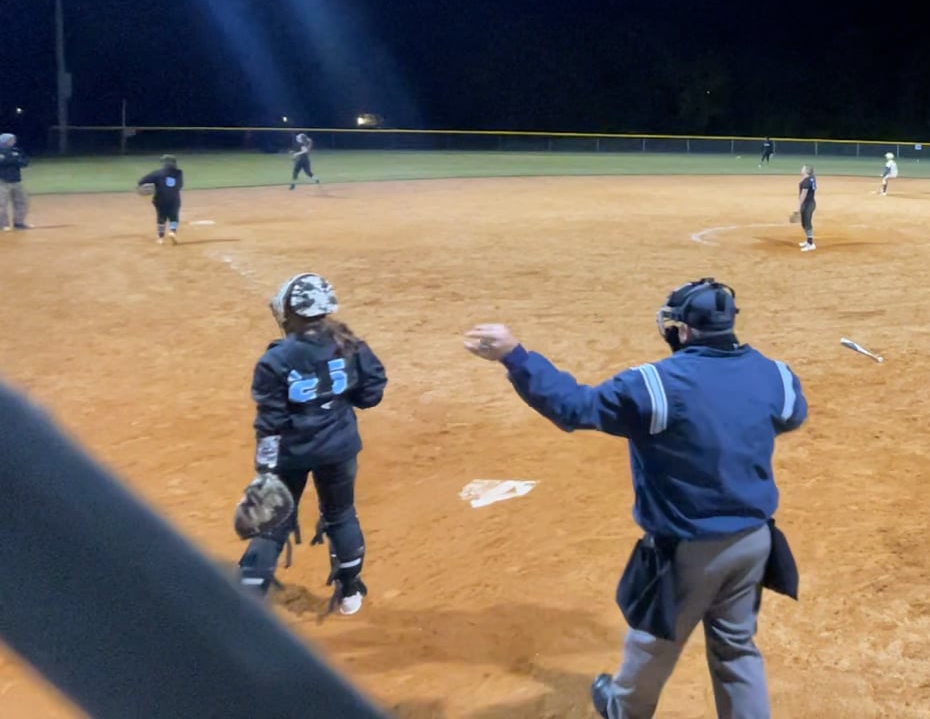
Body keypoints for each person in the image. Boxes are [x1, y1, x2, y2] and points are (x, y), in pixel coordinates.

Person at [462, 279, 805, 719]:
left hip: (688, 549)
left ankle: (624, 709)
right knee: (737, 647)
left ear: (684, 330)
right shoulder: (776, 374)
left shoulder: (656, 384)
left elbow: (574, 407)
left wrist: (515, 356)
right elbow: (791, 416)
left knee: (653, 639)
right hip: (754, 541)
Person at [239, 273, 387, 614]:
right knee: (341, 514)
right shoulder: (350, 344)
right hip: (339, 448)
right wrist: (341, 399)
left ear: (291, 312)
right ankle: (349, 592)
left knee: (272, 523)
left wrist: (265, 470)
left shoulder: (276, 358)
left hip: (291, 453)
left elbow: (270, 421)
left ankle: (246, 598)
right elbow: (372, 391)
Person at [137, 155, 186, 245]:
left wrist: (151, 186)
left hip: (160, 199)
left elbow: (141, 181)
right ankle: (172, 231)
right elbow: (180, 185)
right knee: (174, 217)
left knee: (161, 217)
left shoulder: (157, 173)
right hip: (174, 198)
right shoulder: (179, 173)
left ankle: (161, 238)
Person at [0, 132, 27, 231]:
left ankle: (19, 222)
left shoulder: (16, 150)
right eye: (11, 139)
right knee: (2, 204)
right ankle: (3, 224)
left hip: (16, 180)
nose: (13, 141)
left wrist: (10, 160)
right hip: (2, 181)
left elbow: (24, 162)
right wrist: (14, 160)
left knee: (21, 202)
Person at [797, 165, 818, 251]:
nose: (801, 169)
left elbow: (803, 194)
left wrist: (798, 207)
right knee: (804, 223)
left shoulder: (806, 181)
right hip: (809, 203)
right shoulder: (811, 178)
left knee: (807, 223)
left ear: (806, 171)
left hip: (808, 205)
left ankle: (810, 244)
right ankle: (808, 240)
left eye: (803, 168)